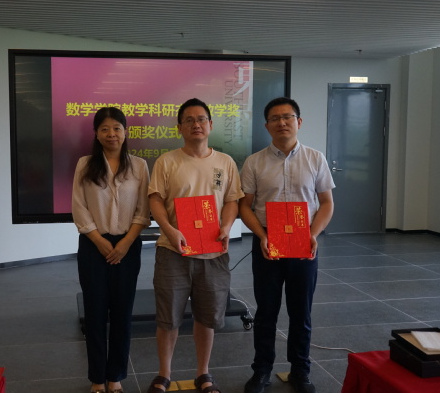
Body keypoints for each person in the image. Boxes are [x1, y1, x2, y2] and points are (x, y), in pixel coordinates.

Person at [147, 98, 244, 393]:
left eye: (201, 119)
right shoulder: (167, 161)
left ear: (210, 125)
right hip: (173, 250)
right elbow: (155, 200)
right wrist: (169, 230)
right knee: (168, 318)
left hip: (213, 251)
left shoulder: (225, 162)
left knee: (207, 316)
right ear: (179, 128)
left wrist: (226, 226)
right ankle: (164, 374)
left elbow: (232, 200)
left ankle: (203, 373)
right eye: (188, 120)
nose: (196, 124)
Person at [239, 97, 335, 393]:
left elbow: (327, 203)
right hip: (267, 241)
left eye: (288, 117)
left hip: (304, 241)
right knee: (266, 311)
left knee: (300, 312)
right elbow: (244, 206)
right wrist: (261, 235)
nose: (282, 122)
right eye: (275, 118)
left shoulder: (315, 158)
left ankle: (300, 370)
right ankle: (261, 371)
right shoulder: (254, 162)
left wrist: (313, 234)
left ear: (299, 122)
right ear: (266, 125)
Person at [72, 107, 151, 393]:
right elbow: (79, 207)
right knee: (94, 313)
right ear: (96, 133)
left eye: (117, 128)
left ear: (125, 132)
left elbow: (143, 210)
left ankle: (115, 376)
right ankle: (97, 378)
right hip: (93, 246)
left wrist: (125, 243)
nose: (111, 134)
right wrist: (99, 240)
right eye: (104, 129)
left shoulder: (139, 166)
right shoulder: (85, 164)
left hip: (128, 246)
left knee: (122, 313)